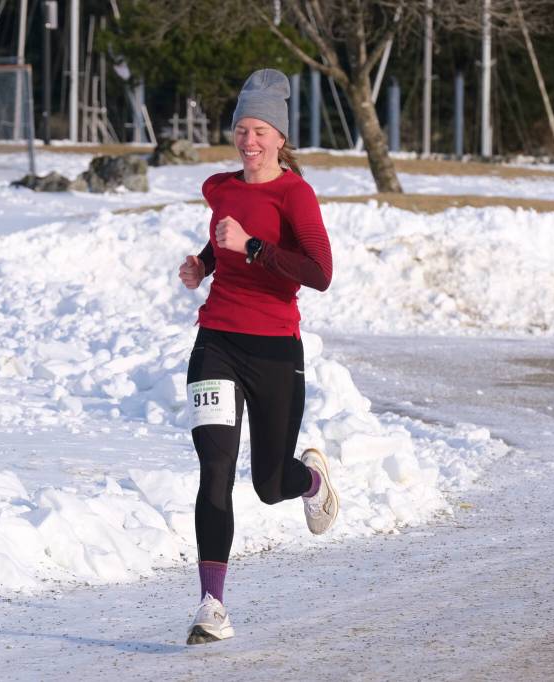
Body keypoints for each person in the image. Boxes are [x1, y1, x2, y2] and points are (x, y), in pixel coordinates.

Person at [177, 69, 338, 645]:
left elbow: (319, 272)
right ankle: (211, 606)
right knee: (215, 469)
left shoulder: (295, 194)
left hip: (273, 349)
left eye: (260, 131)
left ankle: (310, 480)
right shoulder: (221, 187)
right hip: (216, 342)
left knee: (269, 483)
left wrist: (252, 247)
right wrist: (204, 263)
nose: (249, 141)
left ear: (280, 138)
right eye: (242, 129)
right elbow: (223, 237)